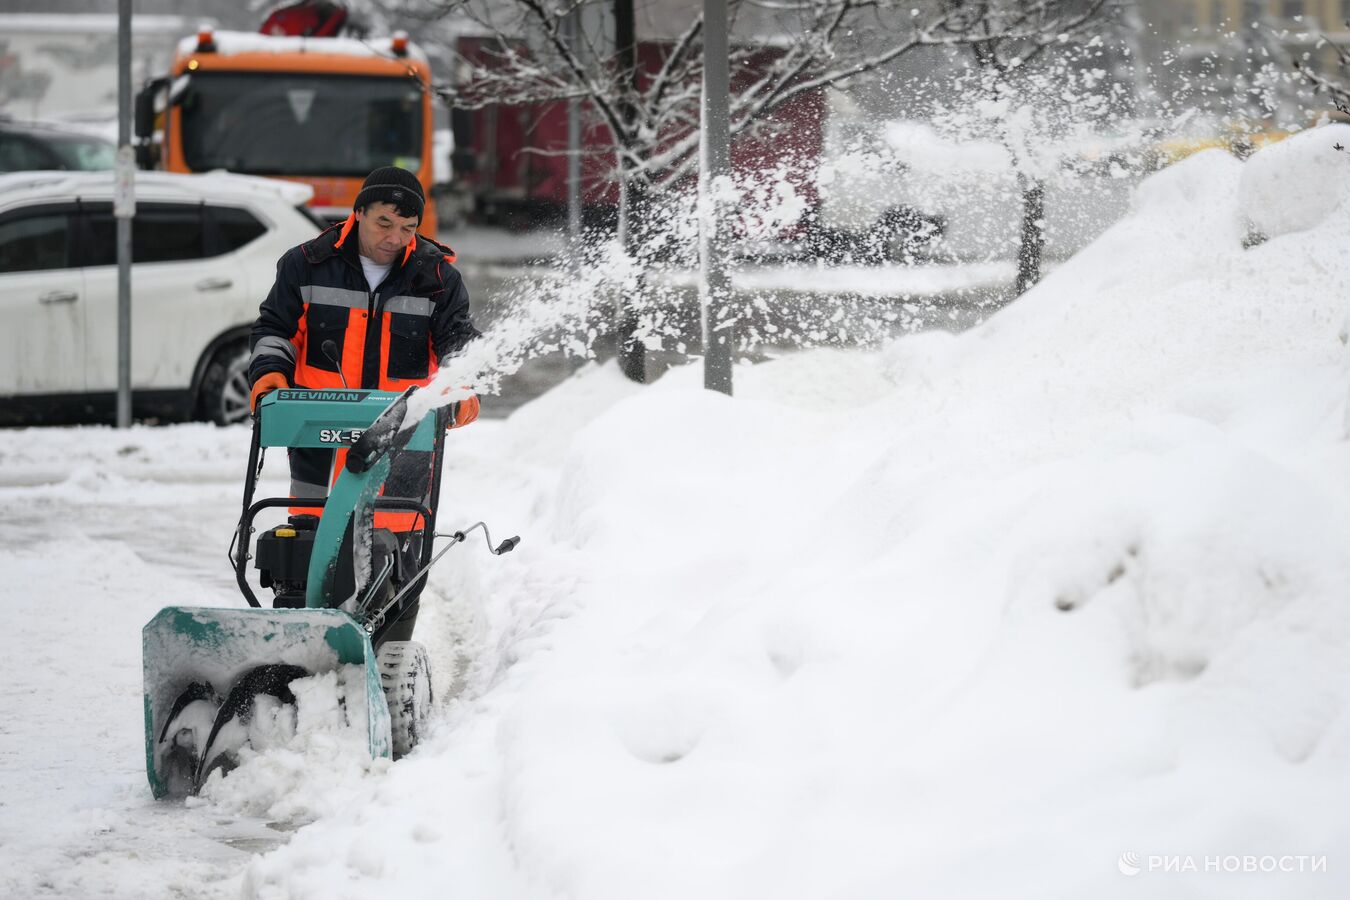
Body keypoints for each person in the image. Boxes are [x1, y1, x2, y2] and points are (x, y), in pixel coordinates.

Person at [246, 166, 478, 635]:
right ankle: (302, 642)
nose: (395, 238)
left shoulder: (435, 278)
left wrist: (458, 396)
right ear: (358, 214)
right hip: (317, 431)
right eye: (384, 223)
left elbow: (461, 350)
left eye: (408, 228)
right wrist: (270, 379)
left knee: (393, 556)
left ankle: (387, 650)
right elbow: (275, 330)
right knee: (307, 548)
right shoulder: (306, 264)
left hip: (402, 438)